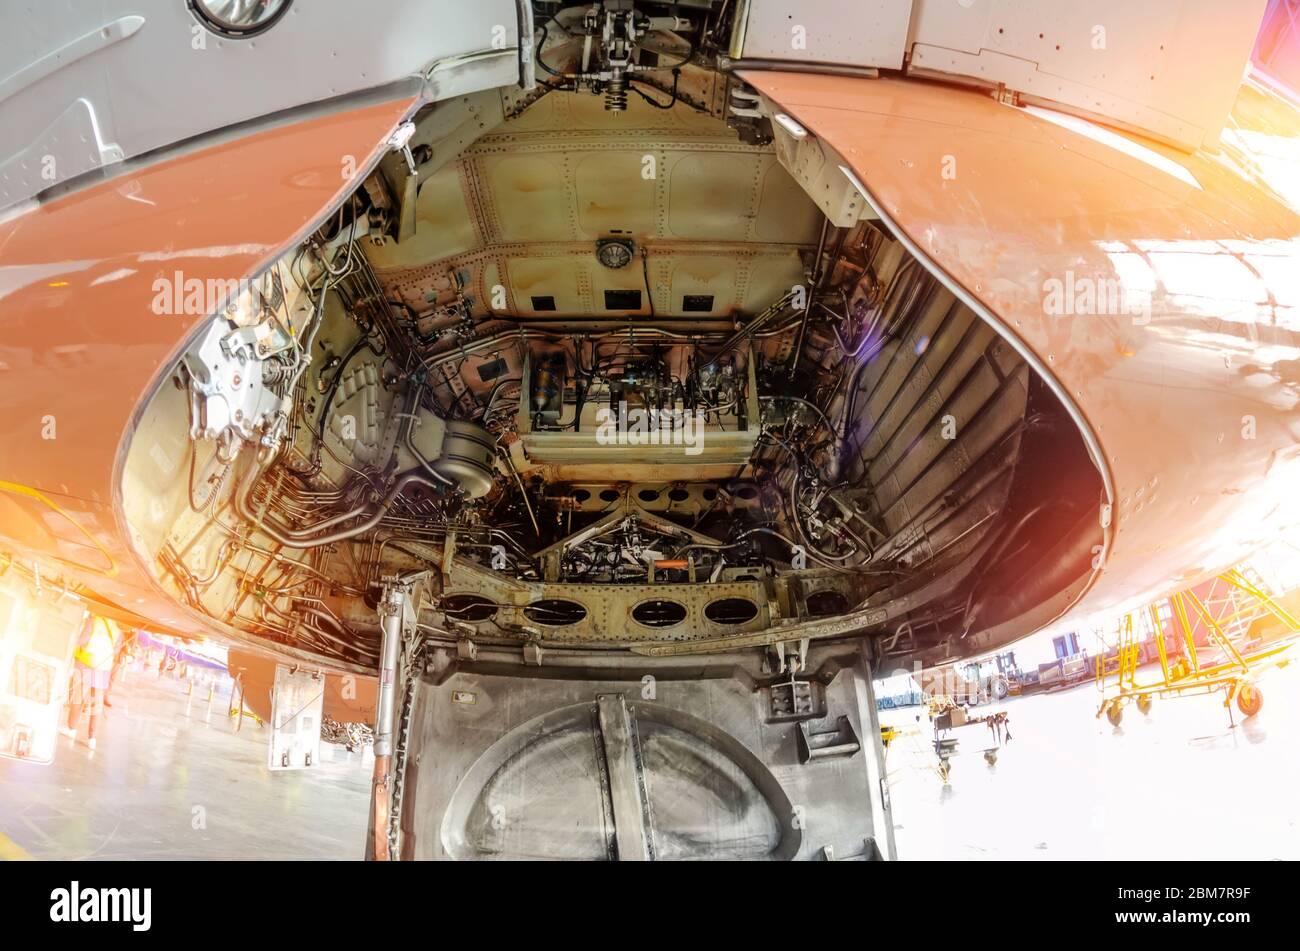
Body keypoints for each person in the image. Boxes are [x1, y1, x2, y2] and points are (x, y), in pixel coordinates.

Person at [60, 613, 120, 750]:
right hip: (103, 667)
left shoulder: (94, 621)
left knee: (79, 698)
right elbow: (116, 651)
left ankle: (71, 728)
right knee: (96, 704)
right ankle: (92, 738)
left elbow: (82, 640)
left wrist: (73, 643)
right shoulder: (117, 629)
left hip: (87, 663)